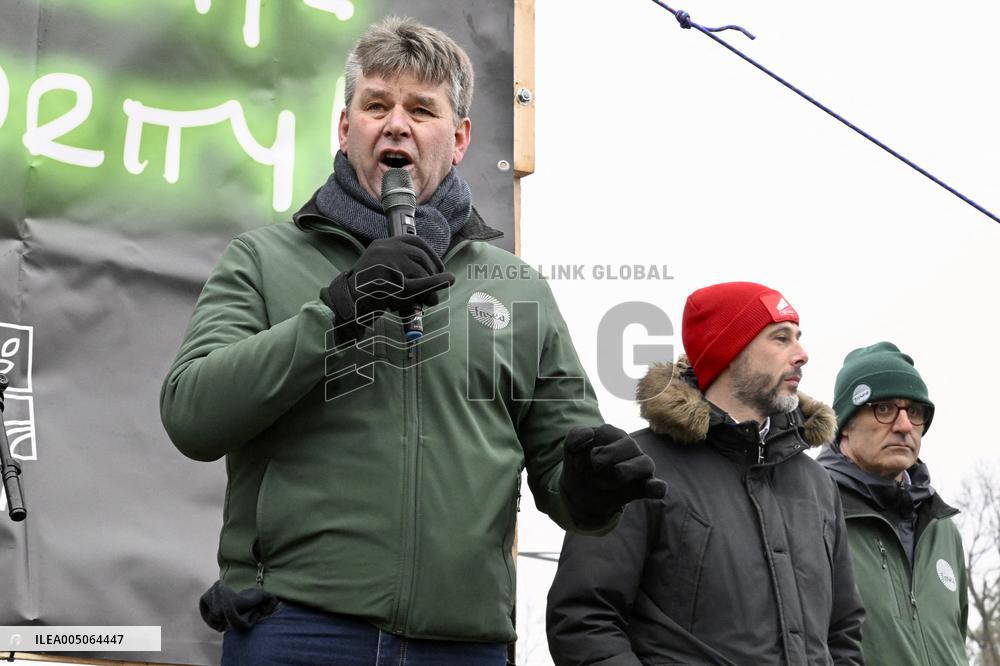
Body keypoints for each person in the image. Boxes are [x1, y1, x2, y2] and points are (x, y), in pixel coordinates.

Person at [159, 16, 664, 666]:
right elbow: (192, 415)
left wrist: (591, 491)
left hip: (464, 644)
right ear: (346, 130)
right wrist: (335, 313)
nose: (396, 124)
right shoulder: (262, 259)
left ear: (458, 140)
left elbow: (562, 474)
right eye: (376, 105)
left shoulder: (519, 290)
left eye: (421, 109)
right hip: (297, 630)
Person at [547, 281, 865, 665]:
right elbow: (584, 619)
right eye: (781, 339)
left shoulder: (817, 484)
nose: (802, 355)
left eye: (798, 338)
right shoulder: (636, 467)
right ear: (730, 352)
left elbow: (844, 631)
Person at [817, 342, 969, 665]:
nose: (904, 426)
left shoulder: (942, 530)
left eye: (914, 412)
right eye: (884, 409)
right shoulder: (815, 515)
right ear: (844, 425)